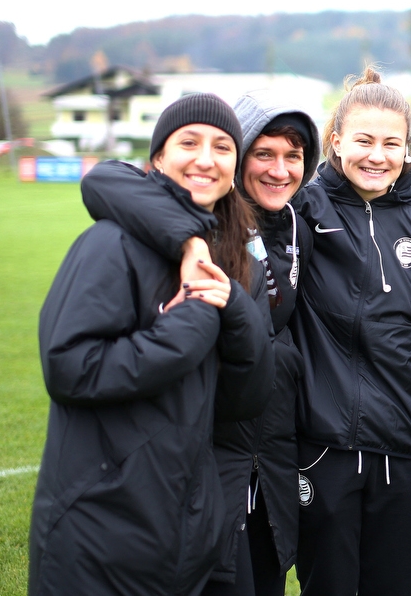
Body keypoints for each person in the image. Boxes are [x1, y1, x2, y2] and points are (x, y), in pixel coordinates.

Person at [30, 93, 275, 596]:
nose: (206, 159)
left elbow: (244, 401)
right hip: (100, 525)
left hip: (180, 524)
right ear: (158, 157)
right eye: (189, 142)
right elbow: (70, 367)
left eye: (223, 147)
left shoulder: (226, 260)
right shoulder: (110, 244)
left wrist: (232, 308)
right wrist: (188, 326)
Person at [79, 90, 321, 595]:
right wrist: (189, 239)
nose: (280, 170)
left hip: (271, 456)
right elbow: (106, 178)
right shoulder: (200, 220)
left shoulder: (303, 220)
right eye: (263, 153)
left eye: (294, 157)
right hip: (204, 459)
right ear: (239, 155)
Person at [290, 68, 411, 596]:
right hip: (321, 454)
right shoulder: (301, 211)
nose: (377, 155)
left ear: (408, 149)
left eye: (392, 143)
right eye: (363, 140)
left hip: (403, 457)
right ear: (336, 141)